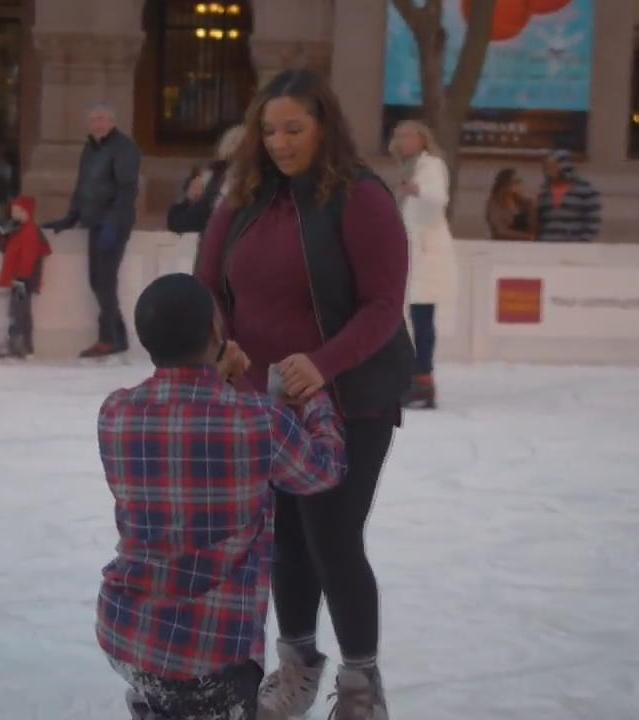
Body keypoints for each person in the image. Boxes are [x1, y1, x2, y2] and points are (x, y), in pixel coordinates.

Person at [195, 68, 414, 720]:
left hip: (348, 402)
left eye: (294, 128)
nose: (280, 142)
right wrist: (218, 346)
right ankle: (295, 665)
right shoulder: (244, 199)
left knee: (332, 536)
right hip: (267, 402)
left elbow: (382, 306)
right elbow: (208, 286)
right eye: (268, 130)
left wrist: (322, 364)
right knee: (284, 539)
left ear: (324, 126)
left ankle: (361, 686)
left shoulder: (360, 197)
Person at [95, 273, 346, 720]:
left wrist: (217, 378)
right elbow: (323, 469)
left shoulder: (116, 412)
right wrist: (313, 400)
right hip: (209, 656)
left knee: (166, 696)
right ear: (217, 333)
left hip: (126, 635)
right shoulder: (257, 420)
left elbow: (194, 439)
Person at [41, 103, 142, 359]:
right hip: (95, 221)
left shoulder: (123, 147)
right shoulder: (90, 149)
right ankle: (116, 338)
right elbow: (82, 186)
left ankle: (109, 339)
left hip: (113, 223)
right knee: (97, 280)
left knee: (104, 280)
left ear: (112, 122)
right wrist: (70, 217)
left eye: (102, 119)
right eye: (94, 119)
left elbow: (127, 188)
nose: (98, 124)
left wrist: (114, 222)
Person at [389, 119, 458, 410]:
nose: (403, 141)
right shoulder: (409, 168)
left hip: (427, 252)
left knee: (421, 317)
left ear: (422, 139)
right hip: (412, 252)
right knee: (413, 316)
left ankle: (422, 380)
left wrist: (417, 191)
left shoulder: (430, 166)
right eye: (399, 136)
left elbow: (438, 198)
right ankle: (414, 377)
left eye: (409, 136)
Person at [0, 196, 51, 359]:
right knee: (19, 310)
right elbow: (4, 248)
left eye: (18, 211)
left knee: (18, 311)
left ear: (27, 212)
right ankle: (22, 345)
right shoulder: (18, 229)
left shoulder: (30, 231)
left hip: (22, 280)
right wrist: (3, 232)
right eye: (13, 211)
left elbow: (29, 256)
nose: (14, 214)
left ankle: (18, 345)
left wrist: (22, 278)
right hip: (19, 279)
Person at [167, 124, 246, 235]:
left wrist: (188, 201)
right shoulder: (213, 177)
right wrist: (189, 200)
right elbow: (178, 221)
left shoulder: (221, 179)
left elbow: (180, 223)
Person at [534, 149, 601, 242]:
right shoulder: (544, 190)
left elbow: (593, 221)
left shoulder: (586, 190)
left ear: (564, 166)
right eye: (546, 167)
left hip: (574, 246)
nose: (548, 170)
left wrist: (583, 243)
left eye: (552, 166)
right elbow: (540, 221)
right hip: (547, 244)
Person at [485, 168, 537, 240]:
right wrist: (527, 236)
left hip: (524, 246)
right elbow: (500, 231)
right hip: (504, 245)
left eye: (519, 181)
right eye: (515, 182)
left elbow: (534, 228)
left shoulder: (522, 202)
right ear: (505, 184)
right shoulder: (494, 203)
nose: (519, 184)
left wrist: (531, 204)